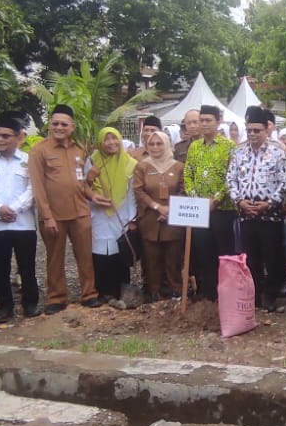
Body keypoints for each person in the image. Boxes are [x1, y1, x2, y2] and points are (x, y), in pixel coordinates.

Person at [29, 104, 97, 312]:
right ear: (50, 125)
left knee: (85, 255)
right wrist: (46, 216)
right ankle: (56, 298)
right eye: (55, 123)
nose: (59, 127)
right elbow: (38, 186)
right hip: (54, 215)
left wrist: (93, 192)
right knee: (54, 257)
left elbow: (81, 182)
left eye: (64, 124)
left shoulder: (80, 148)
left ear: (72, 127)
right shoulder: (39, 150)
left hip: (80, 211)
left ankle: (89, 294)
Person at [0, 113, 39, 321]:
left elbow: (33, 189)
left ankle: (30, 304)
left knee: (27, 266)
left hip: (23, 224)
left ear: (18, 137)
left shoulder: (28, 161)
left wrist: (13, 209)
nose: (0, 140)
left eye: (5, 136)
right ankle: (4, 307)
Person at [228, 106, 286, 311]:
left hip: (269, 214)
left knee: (271, 256)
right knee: (250, 256)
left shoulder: (277, 153)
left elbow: (285, 182)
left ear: (266, 130)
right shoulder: (238, 153)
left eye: (257, 130)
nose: (253, 134)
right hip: (246, 212)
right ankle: (254, 295)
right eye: (249, 130)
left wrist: (270, 203)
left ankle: (271, 295)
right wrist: (239, 201)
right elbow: (231, 179)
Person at [184, 104, 237, 302]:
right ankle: (209, 294)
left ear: (218, 121)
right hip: (199, 210)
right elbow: (188, 173)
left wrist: (216, 199)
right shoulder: (194, 146)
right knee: (204, 252)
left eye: (208, 120)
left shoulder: (229, 146)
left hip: (223, 209)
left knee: (224, 252)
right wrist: (195, 197)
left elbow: (231, 177)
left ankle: (227, 294)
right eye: (201, 120)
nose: (204, 124)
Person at [84, 127, 137, 306]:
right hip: (97, 212)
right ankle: (101, 291)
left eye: (114, 139)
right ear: (100, 142)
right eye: (106, 139)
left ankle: (119, 291)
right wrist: (90, 180)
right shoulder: (92, 161)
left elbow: (132, 194)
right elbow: (84, 187)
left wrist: (132, 219)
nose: (111, 143)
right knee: (99, 251)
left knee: (118, 250)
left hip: (121, 213)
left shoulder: (130, 163)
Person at [132, 128, 186, 301]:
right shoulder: (142, 166)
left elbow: (183, 190)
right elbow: (138, 190)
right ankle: (154, 290)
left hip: (173, 217)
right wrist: (156, 206)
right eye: (152, 144)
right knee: (151, 258)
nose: (155, 147)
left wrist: (169, 209)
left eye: (159, 143)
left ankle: (175, 289)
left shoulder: (178, 167)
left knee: (173, 257)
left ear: (167, 144)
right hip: (150, 218)